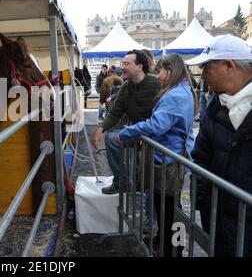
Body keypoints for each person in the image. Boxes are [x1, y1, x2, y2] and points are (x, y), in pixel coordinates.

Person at [118, 54, 198, 257]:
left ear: (170, 70)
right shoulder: (183, 90)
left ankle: (173, 249)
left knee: (170, 211)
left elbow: (157, 125)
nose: (159, 76)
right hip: (170, 157)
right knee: (167, 209)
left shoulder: (175, 96)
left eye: (160, 71)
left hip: (168, 160)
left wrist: (127, 131)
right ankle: (166, 243)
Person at [187, 34, 252, 256]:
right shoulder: (215, 107)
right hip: (218, 220)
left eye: (207, 67)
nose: (203, 76)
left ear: (229, 66)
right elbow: (201, 158)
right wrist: (203, 202)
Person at [92, 50, 161, 193]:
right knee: (111, 138)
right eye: (122, 63)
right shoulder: (125, 87)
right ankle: (121, 181)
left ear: (139, 67)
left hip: (157, 136)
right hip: (136, 133)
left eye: (126, 63)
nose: (121, 67)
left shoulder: (156, 84)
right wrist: (100, 128)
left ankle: (145, 187)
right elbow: (115, 111)